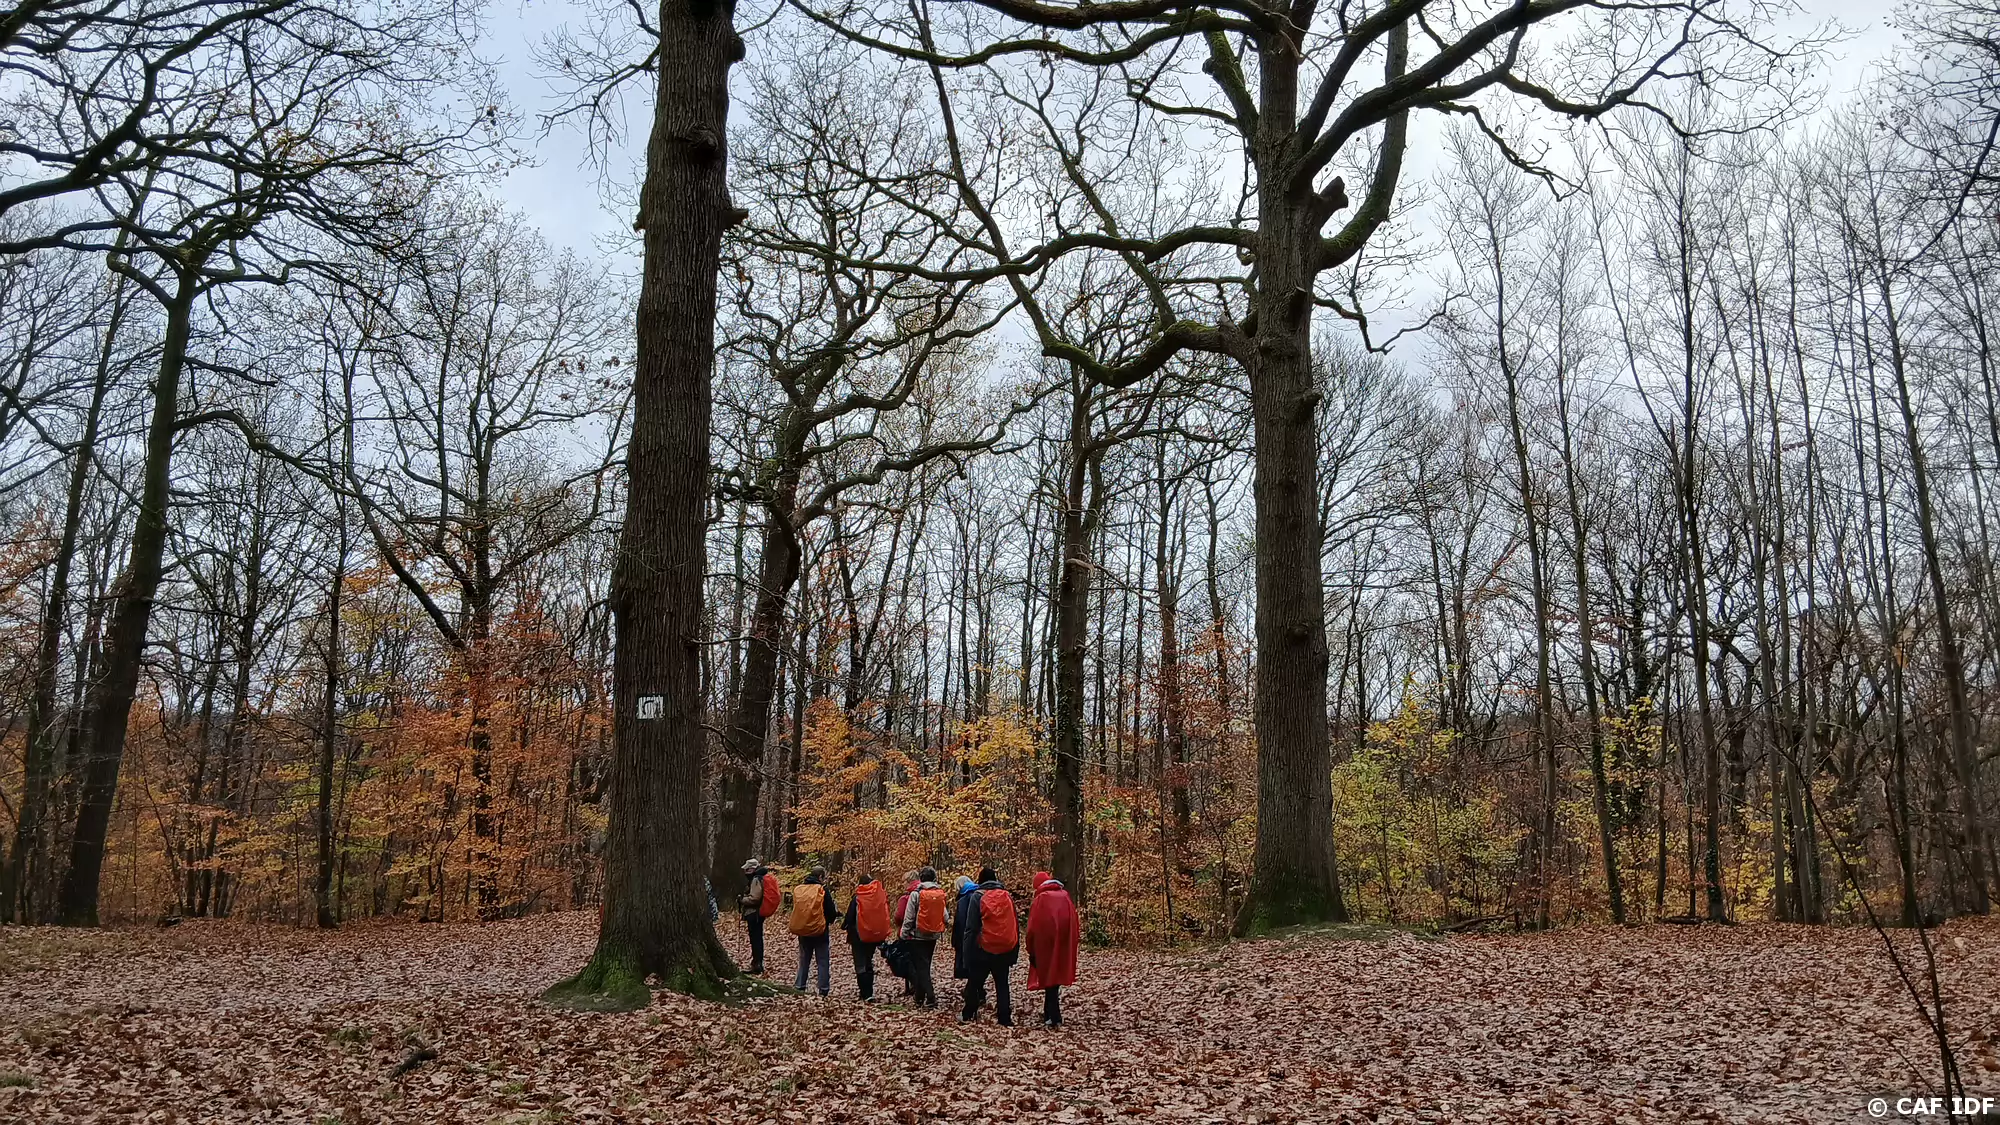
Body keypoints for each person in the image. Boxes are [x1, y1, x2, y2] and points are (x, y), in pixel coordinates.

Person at [956, 867, 1018, 1026]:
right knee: (1002, 984)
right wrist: (1014, 951)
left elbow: (971, 928)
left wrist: (966, 954)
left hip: (983, 949)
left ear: (980, 880)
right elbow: (1014, 925)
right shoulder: (1007, 896)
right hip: (1004, 949)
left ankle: (968, 1014)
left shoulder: (977, 897)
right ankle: (1005, 1018)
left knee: (975, 982)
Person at [1025, 873, 1080, 1027]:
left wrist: (1030, 949)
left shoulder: (1041, 900)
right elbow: (1074, 922)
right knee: (1054, 979)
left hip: (1045, 945)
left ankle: (1054, 1016)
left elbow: (1032, 928)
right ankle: (1049, 1013)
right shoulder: (1065, 896)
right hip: (1064, 943)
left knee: (1049, 977)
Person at [897, 866, 948, 1008]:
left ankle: (931, 997)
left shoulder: (916, 894)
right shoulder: (939, 894)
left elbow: (909, 917)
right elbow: (946, 916)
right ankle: (919, 997)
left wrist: (903, 934)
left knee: (921, 968)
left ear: (921, 878)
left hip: (917, 936)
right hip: (932, 936)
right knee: (924, 966)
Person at [843, 873, 893, 1002]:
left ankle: (864, 993)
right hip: (873, 937)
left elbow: (849, 917)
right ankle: (870, 992)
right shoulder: (878, 898)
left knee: (860, 964)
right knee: (868, 961)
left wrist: (845, 925)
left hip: (857, 937)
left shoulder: (857, 898)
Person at [789, 866, 837, 996]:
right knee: (822, 960)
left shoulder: (800, 890)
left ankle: (800, 985)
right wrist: (831, 919)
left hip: (803, 930)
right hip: (820, 931)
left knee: (804, 959)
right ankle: (823, 989)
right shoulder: (822, 890)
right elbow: (830, 911)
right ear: (820, 877)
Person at [737, 858, 779, 974]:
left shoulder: (756, 879)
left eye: (747, 869)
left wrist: (742, 900)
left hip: (754, 914)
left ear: (752, 869)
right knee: (757, 939)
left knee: (755, 939)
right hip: (758, 914)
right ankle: (757, 963)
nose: (745, 871)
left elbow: (755, 898)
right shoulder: (761, 877)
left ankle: (757, 964)